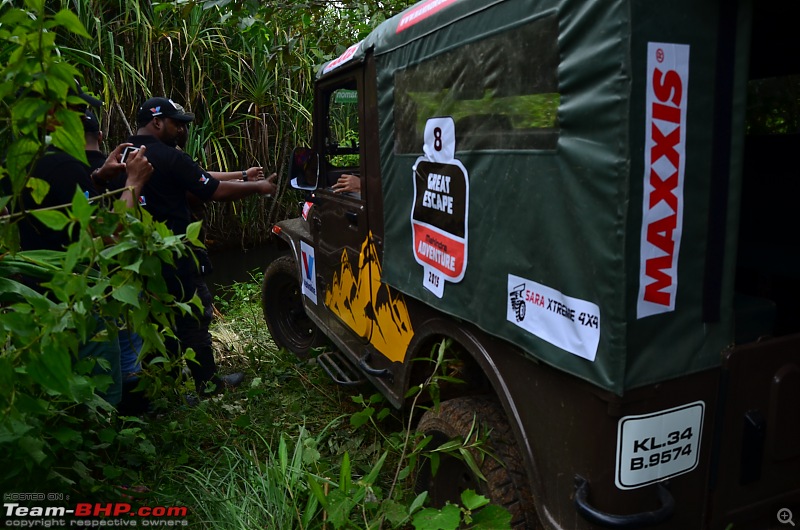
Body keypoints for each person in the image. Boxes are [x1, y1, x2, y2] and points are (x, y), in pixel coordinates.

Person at [128, 96, 277, 397]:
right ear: (157, 121)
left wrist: (242, 175)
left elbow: (197, 178)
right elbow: (212, 189)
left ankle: (167, 386)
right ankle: (208, 385)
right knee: (196, 315)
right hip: (178, 252)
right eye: (177, 123)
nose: (182, 130)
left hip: (143, 256)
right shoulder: (170, 157)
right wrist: (257, 187)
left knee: (160, 319)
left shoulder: (127, 156)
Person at [15, 90, 153, 405]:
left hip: (38, 295)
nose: (81, 121)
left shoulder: (20, 162)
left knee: (61, 387)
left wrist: (97, 178)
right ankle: (112, 447)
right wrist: (133, 183)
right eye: (75, 112)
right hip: (80, 296)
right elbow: (109, 235)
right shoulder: (65, 166)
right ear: (51, 116)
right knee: (101, 392)